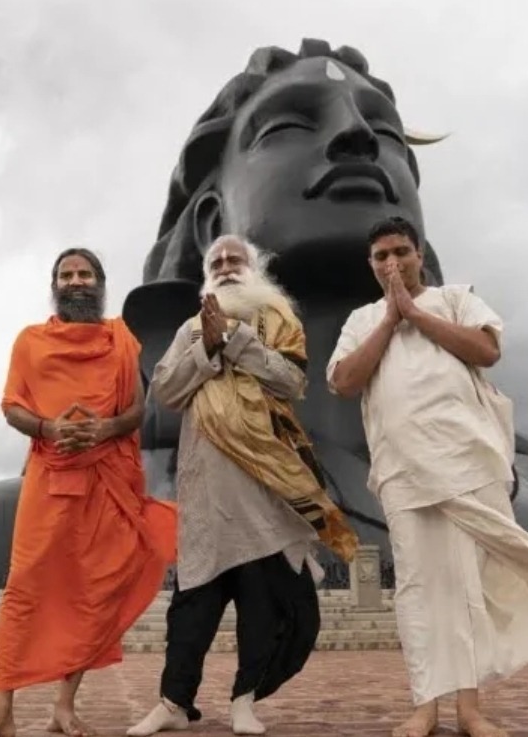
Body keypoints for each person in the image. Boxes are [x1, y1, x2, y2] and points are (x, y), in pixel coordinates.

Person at [327, 217, 528, 737]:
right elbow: (345, 381)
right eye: (380, 257)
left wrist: (415, 311)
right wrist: (391, 320)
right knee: (420, 587)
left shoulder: (456, 298)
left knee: (467, 585)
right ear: (370, 265)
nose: (391, 263)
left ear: (420, 255)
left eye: (400, 252)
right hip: (401, 468)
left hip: (466, 461)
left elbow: (487, 351)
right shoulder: (361, 319)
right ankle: (425, 706)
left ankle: (470, 709)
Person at [127, 235, 358, 737]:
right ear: (207, 273)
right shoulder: (191, 327)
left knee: (262, 603)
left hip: (262, 485)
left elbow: (290, 382)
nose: (227, 266)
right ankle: (172, 703)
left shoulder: (277, 316)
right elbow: (165, 391)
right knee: (192, 606)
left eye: (236, 259)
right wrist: (207, 345)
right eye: (217, 261)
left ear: (255, 268)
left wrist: (234, 340)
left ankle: (243, 701)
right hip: (205, 488)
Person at [0, 248, 177, 737]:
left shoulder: (121, 340)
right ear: (55, 285)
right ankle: (1, 706)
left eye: (85, 274)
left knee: (96, 591)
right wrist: (49, 428)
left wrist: (103, 430)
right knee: (24, 586)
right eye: (67, 275)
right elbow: (11, 405)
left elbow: (135, 411)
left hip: (107, 477)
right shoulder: (31, 341)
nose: (76, 281)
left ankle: (64, 706)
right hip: (50, 475)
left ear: (100, 283)